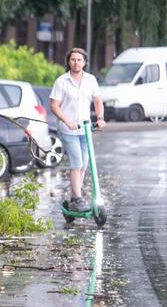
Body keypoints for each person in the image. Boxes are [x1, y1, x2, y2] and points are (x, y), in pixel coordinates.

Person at [49, 48, 105, 212]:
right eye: (73, 60)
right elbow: (54, 105)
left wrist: (100, 118)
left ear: (84, 62)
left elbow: (98, 101)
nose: (76, 63)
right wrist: (67, 121)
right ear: (68, 61)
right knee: (77, 163)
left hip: (85, 129)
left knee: (84, 165)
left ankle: (74, 198)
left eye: (79, 60)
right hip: (68, 130)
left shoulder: (91, 80)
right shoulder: (62, 81)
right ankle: (78, 198)